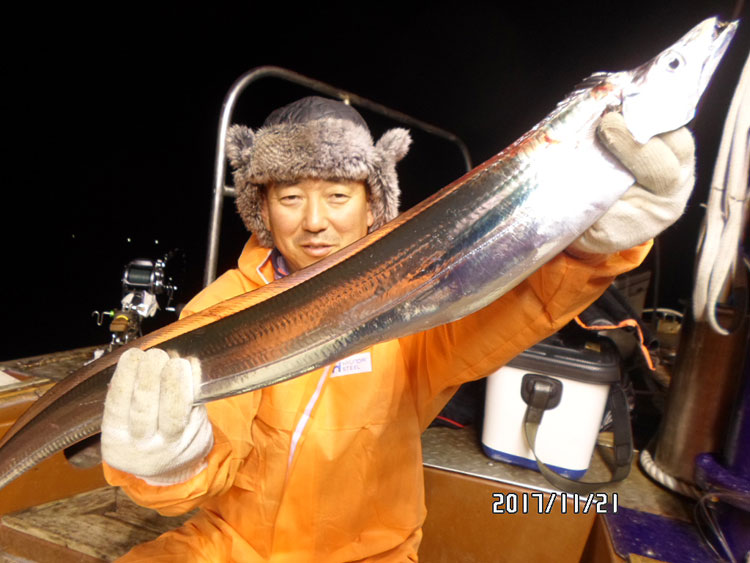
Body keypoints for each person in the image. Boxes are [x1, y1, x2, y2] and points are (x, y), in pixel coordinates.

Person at [101, 96, 695, 562]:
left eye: (338, 194)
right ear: (262, 207)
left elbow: (519, 303)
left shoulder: (416, 299)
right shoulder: (223, 308)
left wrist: (593, 244)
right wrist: (165, 458)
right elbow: (200, 473)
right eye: (290, 196)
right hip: (233, 547)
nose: (315, 221)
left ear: (371, 203)